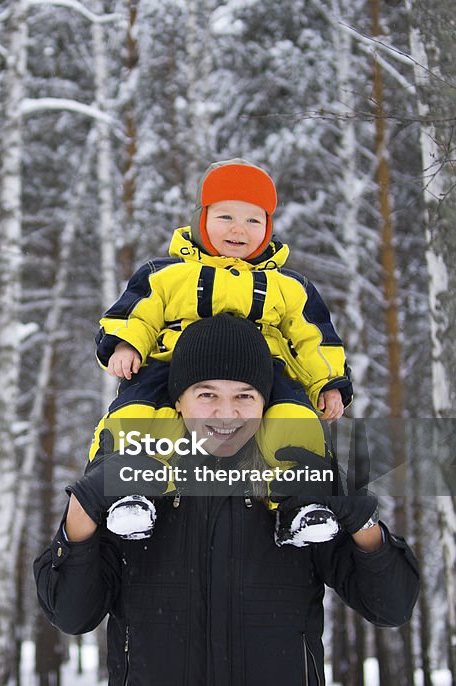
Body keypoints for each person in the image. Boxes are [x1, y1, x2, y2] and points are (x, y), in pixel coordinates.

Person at [36, 315, 420, 686]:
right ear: (179, 402)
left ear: (265, 403)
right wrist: (84, 503)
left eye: (244, 396)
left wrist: (360, 520)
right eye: (207, 395)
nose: (226, 413)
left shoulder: (294, 487)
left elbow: (391, 606)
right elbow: (72, 614)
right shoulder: (137, 496)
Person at [89, 159, 352, 545]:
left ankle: (300, 501)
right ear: (201, 218)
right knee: (140, 411)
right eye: (226, 215)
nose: (238, 229)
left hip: (263, 371)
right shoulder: (167, 274)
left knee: (293, 417)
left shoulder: (288, 286)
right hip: (172, 363)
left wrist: (328, 382)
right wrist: (127, 344)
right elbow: (137, 313)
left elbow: (313, 337)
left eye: (253, 221)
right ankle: (130, 490)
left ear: (268, 228)